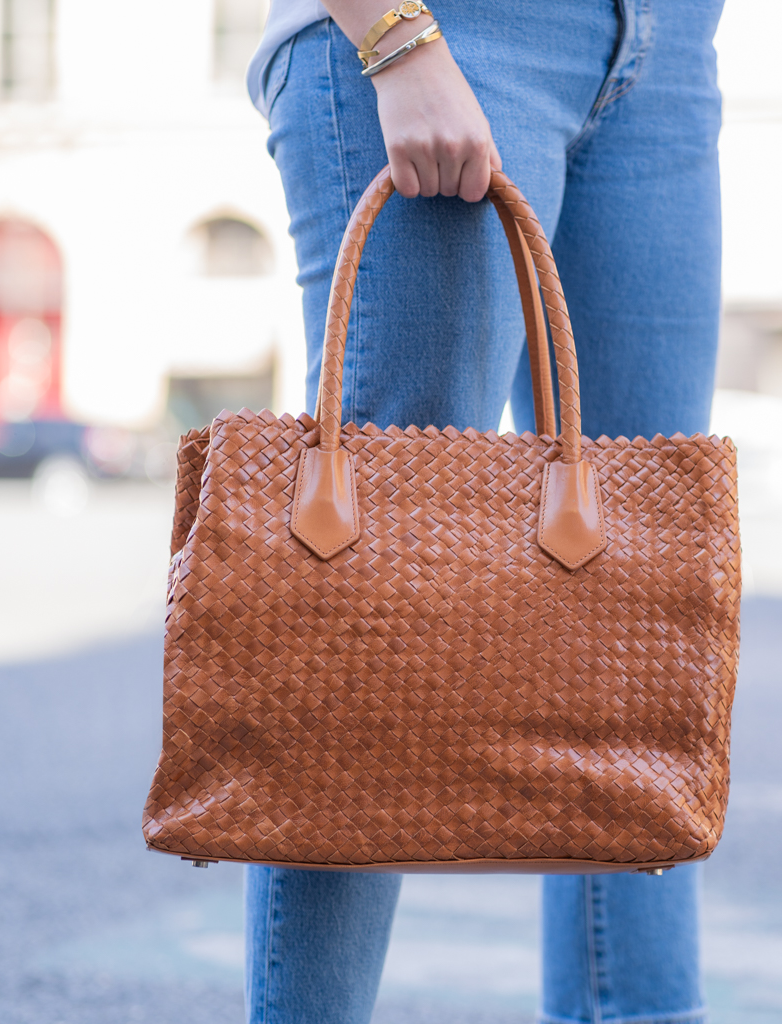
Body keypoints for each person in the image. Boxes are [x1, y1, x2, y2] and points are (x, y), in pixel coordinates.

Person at [243, 1, 725, 1021]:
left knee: (641, 599)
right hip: (451, 28)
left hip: (666, 47)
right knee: (364, 604)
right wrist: (393, 37)